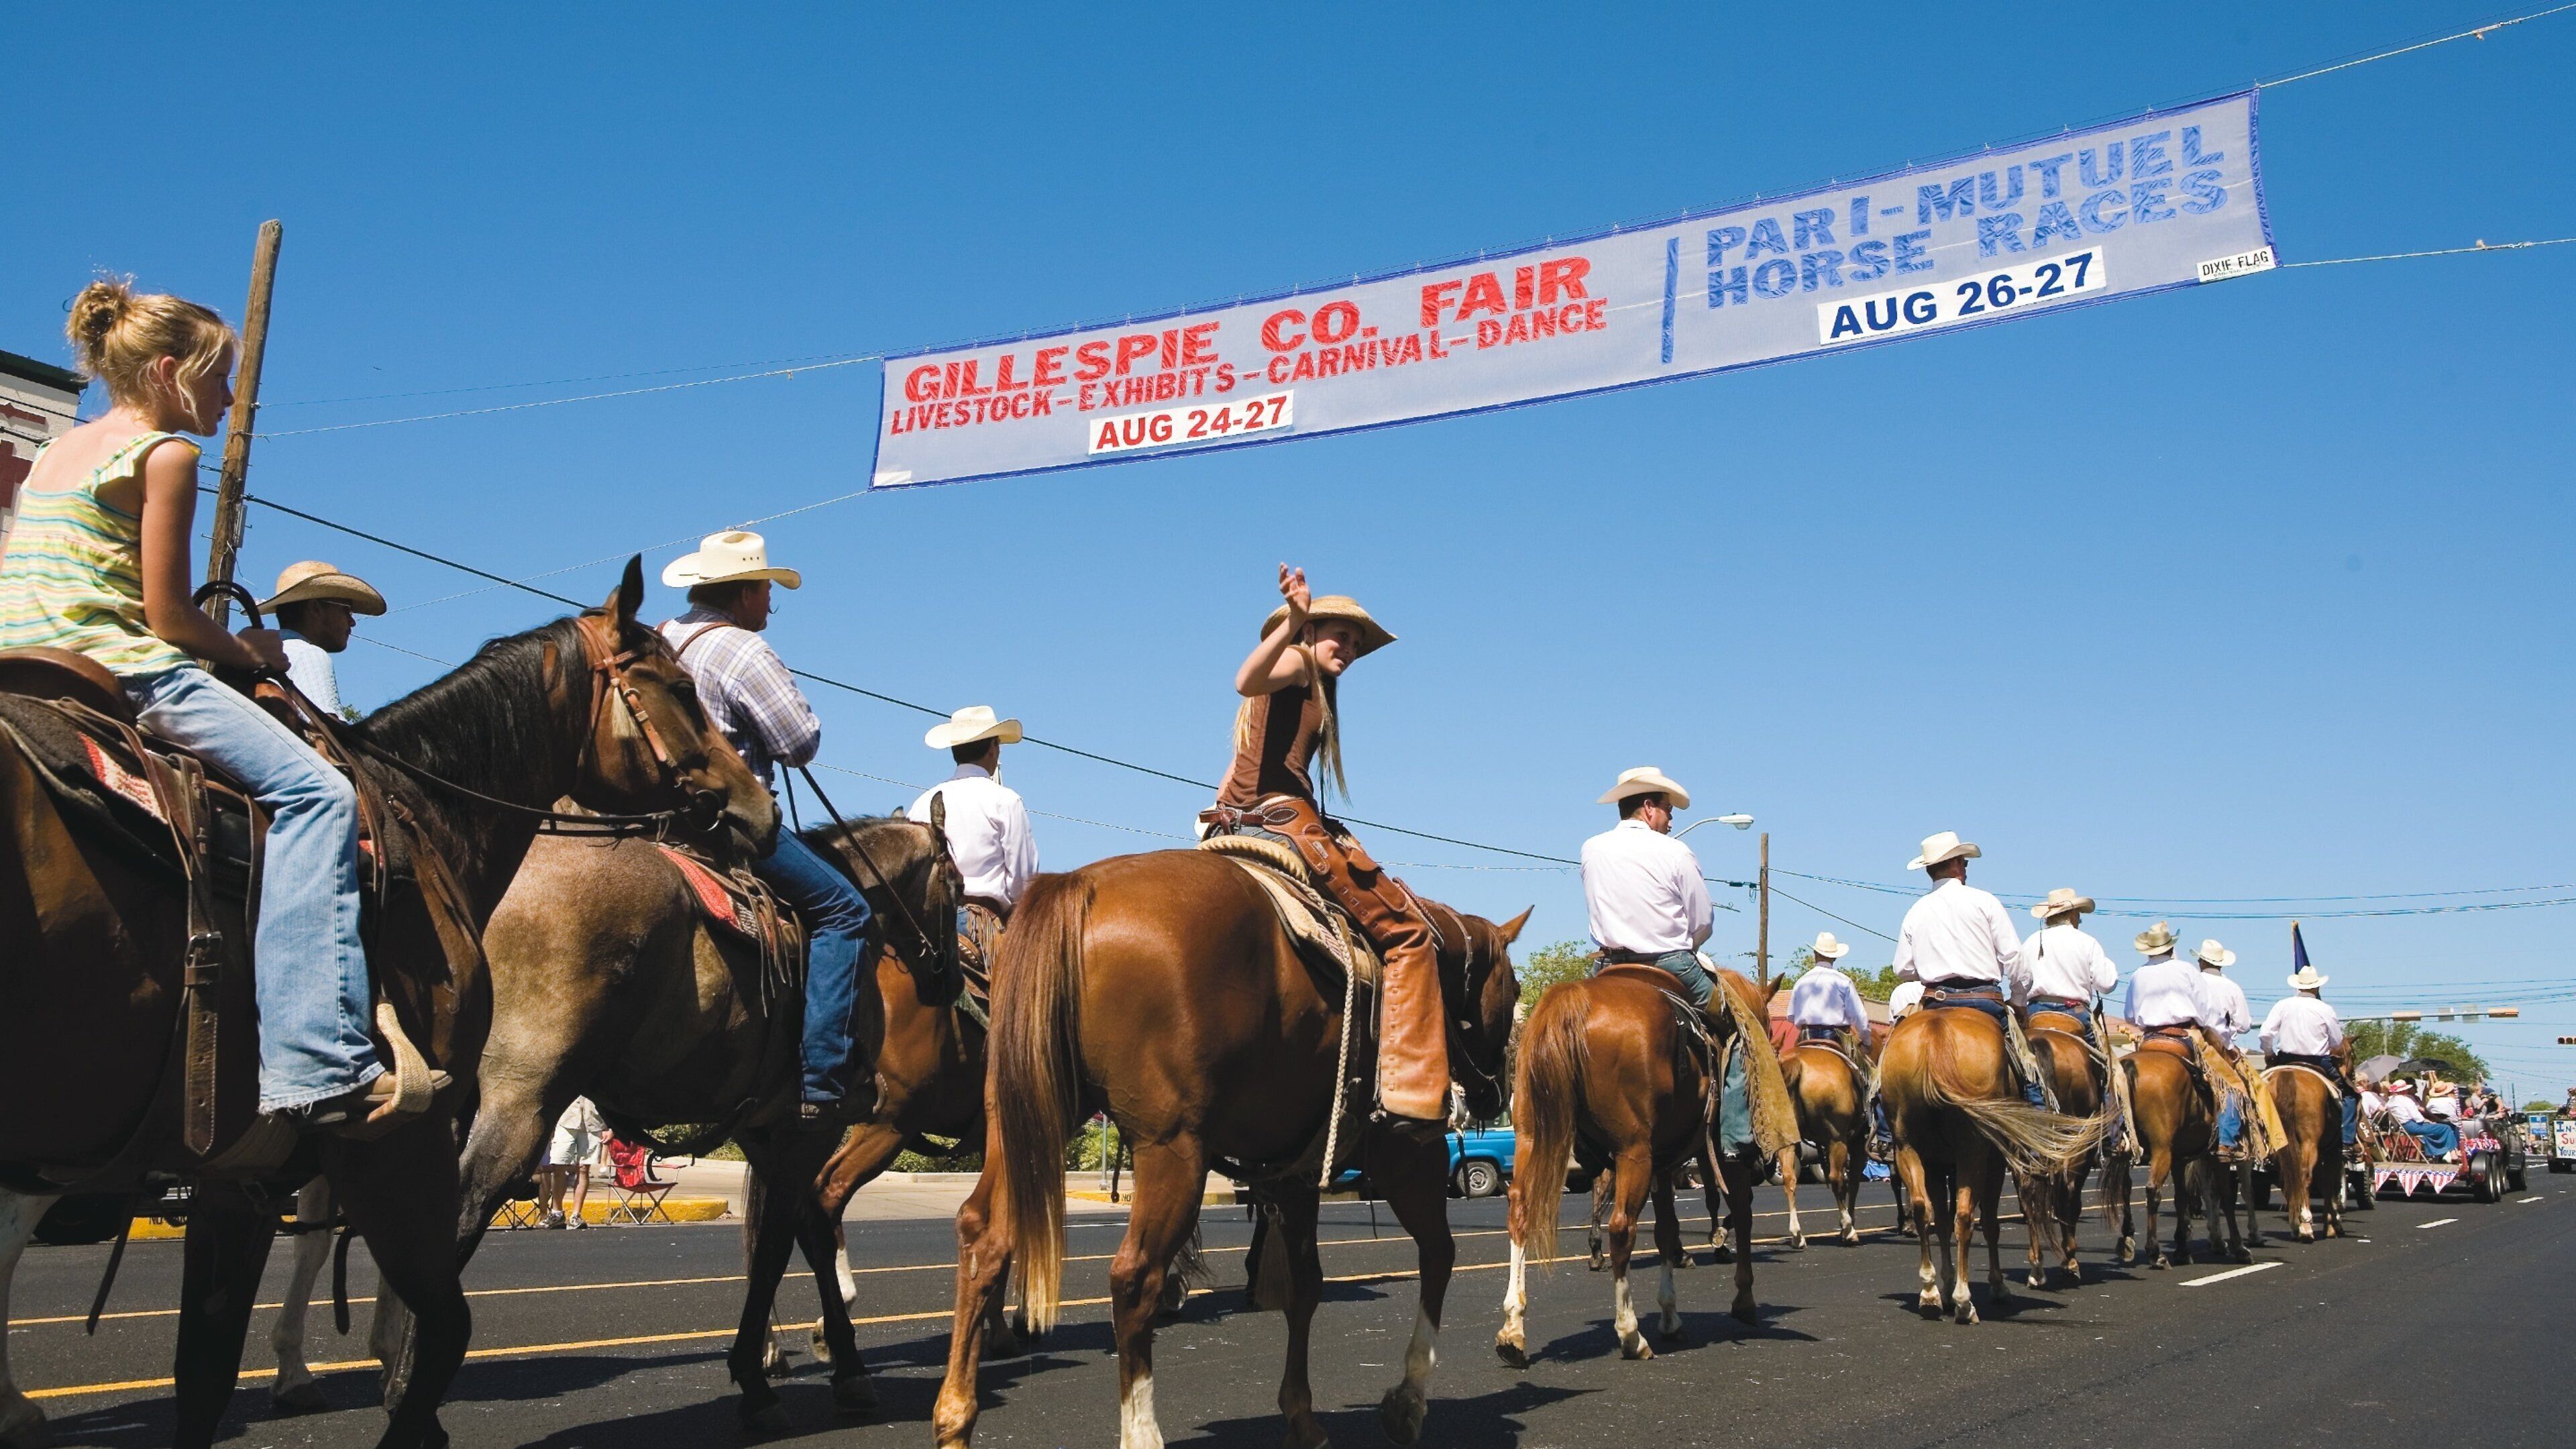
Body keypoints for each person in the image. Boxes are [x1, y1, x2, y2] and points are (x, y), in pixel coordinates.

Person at [0, 279, 405, 1131]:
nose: (228, 401)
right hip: (125, 671)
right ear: (169, 371)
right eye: (222, 381)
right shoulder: (165, 455)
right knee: (317, 795)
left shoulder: (56, 453)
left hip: (21, 666)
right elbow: (170, 619)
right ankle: (315, 1059)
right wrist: (248, 649)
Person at [1201, 566, 1447, 1127]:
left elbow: (1226, 783)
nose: (1351, 649)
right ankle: (1410, 1095)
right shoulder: (1296, 663)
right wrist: (1292, 619)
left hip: (1237, 824)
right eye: (1341, 635)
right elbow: (1245, 678)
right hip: (1284, 827)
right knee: (1409, 934)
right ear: (1311, 633)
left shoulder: (1315, 687)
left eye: (1358, 644)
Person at [659, 530, 877, 1123]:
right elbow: (799, 743)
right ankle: (822, 1079)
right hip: (727, 830)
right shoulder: (742, 652)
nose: (769, 605)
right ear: (744, 593)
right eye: (766, 592)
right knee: (846, 912)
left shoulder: (658, 638)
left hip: (650, 825)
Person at [1890, 830, 2044, 1106]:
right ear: (1956, 865)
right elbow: (2015, 959)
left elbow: (1903, 968)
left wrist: (1930, 967)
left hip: (1936, 1002)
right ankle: (2036, 1131)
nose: (1966, 868)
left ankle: (1887, 1132)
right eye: (1965, 863)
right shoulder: (1984, 901)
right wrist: (2020, 1001)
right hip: (1984, 1002)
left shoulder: (1916, 911)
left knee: (1889, 1060)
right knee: (2029, 1066)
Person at [1578, 766, 1718, 1011]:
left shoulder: (1591, 849)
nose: (1671, 822)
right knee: (1734, 1022)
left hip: (1609, 967)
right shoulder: (1676, 851)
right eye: (1669, 810)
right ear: (1649, 807)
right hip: (1670, 964)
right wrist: (1685, 948)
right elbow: (1703, 922)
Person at [911, 704, 1039, 968]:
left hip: (926, 926)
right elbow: (1023, 882)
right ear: (994, 748)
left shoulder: (921, 803)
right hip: (980, 925)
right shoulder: (1005, 801)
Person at [258, 560, 385, 719]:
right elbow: (326, 734)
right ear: (316, 608)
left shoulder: (262, 656)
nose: (352, 621)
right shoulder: (308, 655)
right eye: (346, 610)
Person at [2259, 965, 2356, 1146]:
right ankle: (2347, 1142)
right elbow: (2336, 1042)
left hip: (2285, 1060)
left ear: (2298, 986)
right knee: (2350, 1095)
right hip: (2318, 1062)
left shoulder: (2283, 1005)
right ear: (2317, 987)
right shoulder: (2325, 1009)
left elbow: (2265, 1034)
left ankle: (2255, 1139)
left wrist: (2269, 1053)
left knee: (2255, 1092)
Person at [2021, 888, 2116, 1038]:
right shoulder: (2087, 942)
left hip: (2036, 1012)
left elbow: (2021, 982)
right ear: (2072, 915)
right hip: (2075, 1013)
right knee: (2102, 1058)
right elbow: (2106, 985)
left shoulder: (2031, 941)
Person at [1788, 932, 1869, 1044]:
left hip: (1806, 1036)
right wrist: (1866, 1041)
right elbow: (1860, 1017)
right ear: (1835, 957)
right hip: (1836, 1037)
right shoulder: (1844, 981)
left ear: (1815, 954)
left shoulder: (1801, 982)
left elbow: (1791, 1016)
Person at [540, 1096, 605, 1229]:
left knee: (583, 1169)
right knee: (559, 1166)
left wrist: (609, 1128)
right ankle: (557, 1213)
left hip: (592, 1122)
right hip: (566, 1120)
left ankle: (576, 1215)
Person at [2383, 1079, 2459, 1162]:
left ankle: (2444, 1154)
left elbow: (2391, 1118)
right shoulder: (2407, 1100)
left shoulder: (2390, 1102)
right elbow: (2418, 1118)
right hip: (2413, 1126)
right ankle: (2453, 1154)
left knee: (2436, 1128)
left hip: (2403, 1127)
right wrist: (2428, 1122)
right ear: (2404, 1090)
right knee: (2446, 1128)